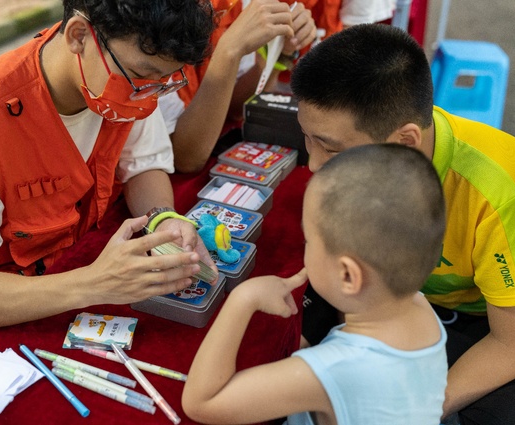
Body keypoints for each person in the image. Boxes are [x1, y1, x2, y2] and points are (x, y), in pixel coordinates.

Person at [0, 0, 219, 346]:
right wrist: (95, 283)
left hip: (73, 270)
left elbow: (144, 164)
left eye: (164, 81)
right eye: (141, 77)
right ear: (78, 36)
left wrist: (161, 219)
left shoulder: (124, 82)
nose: (148, 97)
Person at [290, 23, 515, 424]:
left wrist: (422, 410)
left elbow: (512, 343)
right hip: (398, 299)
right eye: (307, 139)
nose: (313, 165)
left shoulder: (501, 191)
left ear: (406, 142)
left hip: (484, 320)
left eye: (329, 148)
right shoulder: (370, 155)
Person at [182, 143, 448, 425]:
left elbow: (202, 403)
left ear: (348, 276)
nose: (304, 248)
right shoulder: (420, 307)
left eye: (308, 240)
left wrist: (243, 299)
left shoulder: (333, 370)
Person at [160, 0, 315, 173]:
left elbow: (238, 108)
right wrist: (229, 52)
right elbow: (187, 159)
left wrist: (280, 50)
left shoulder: (237, 4)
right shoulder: (157, 13)